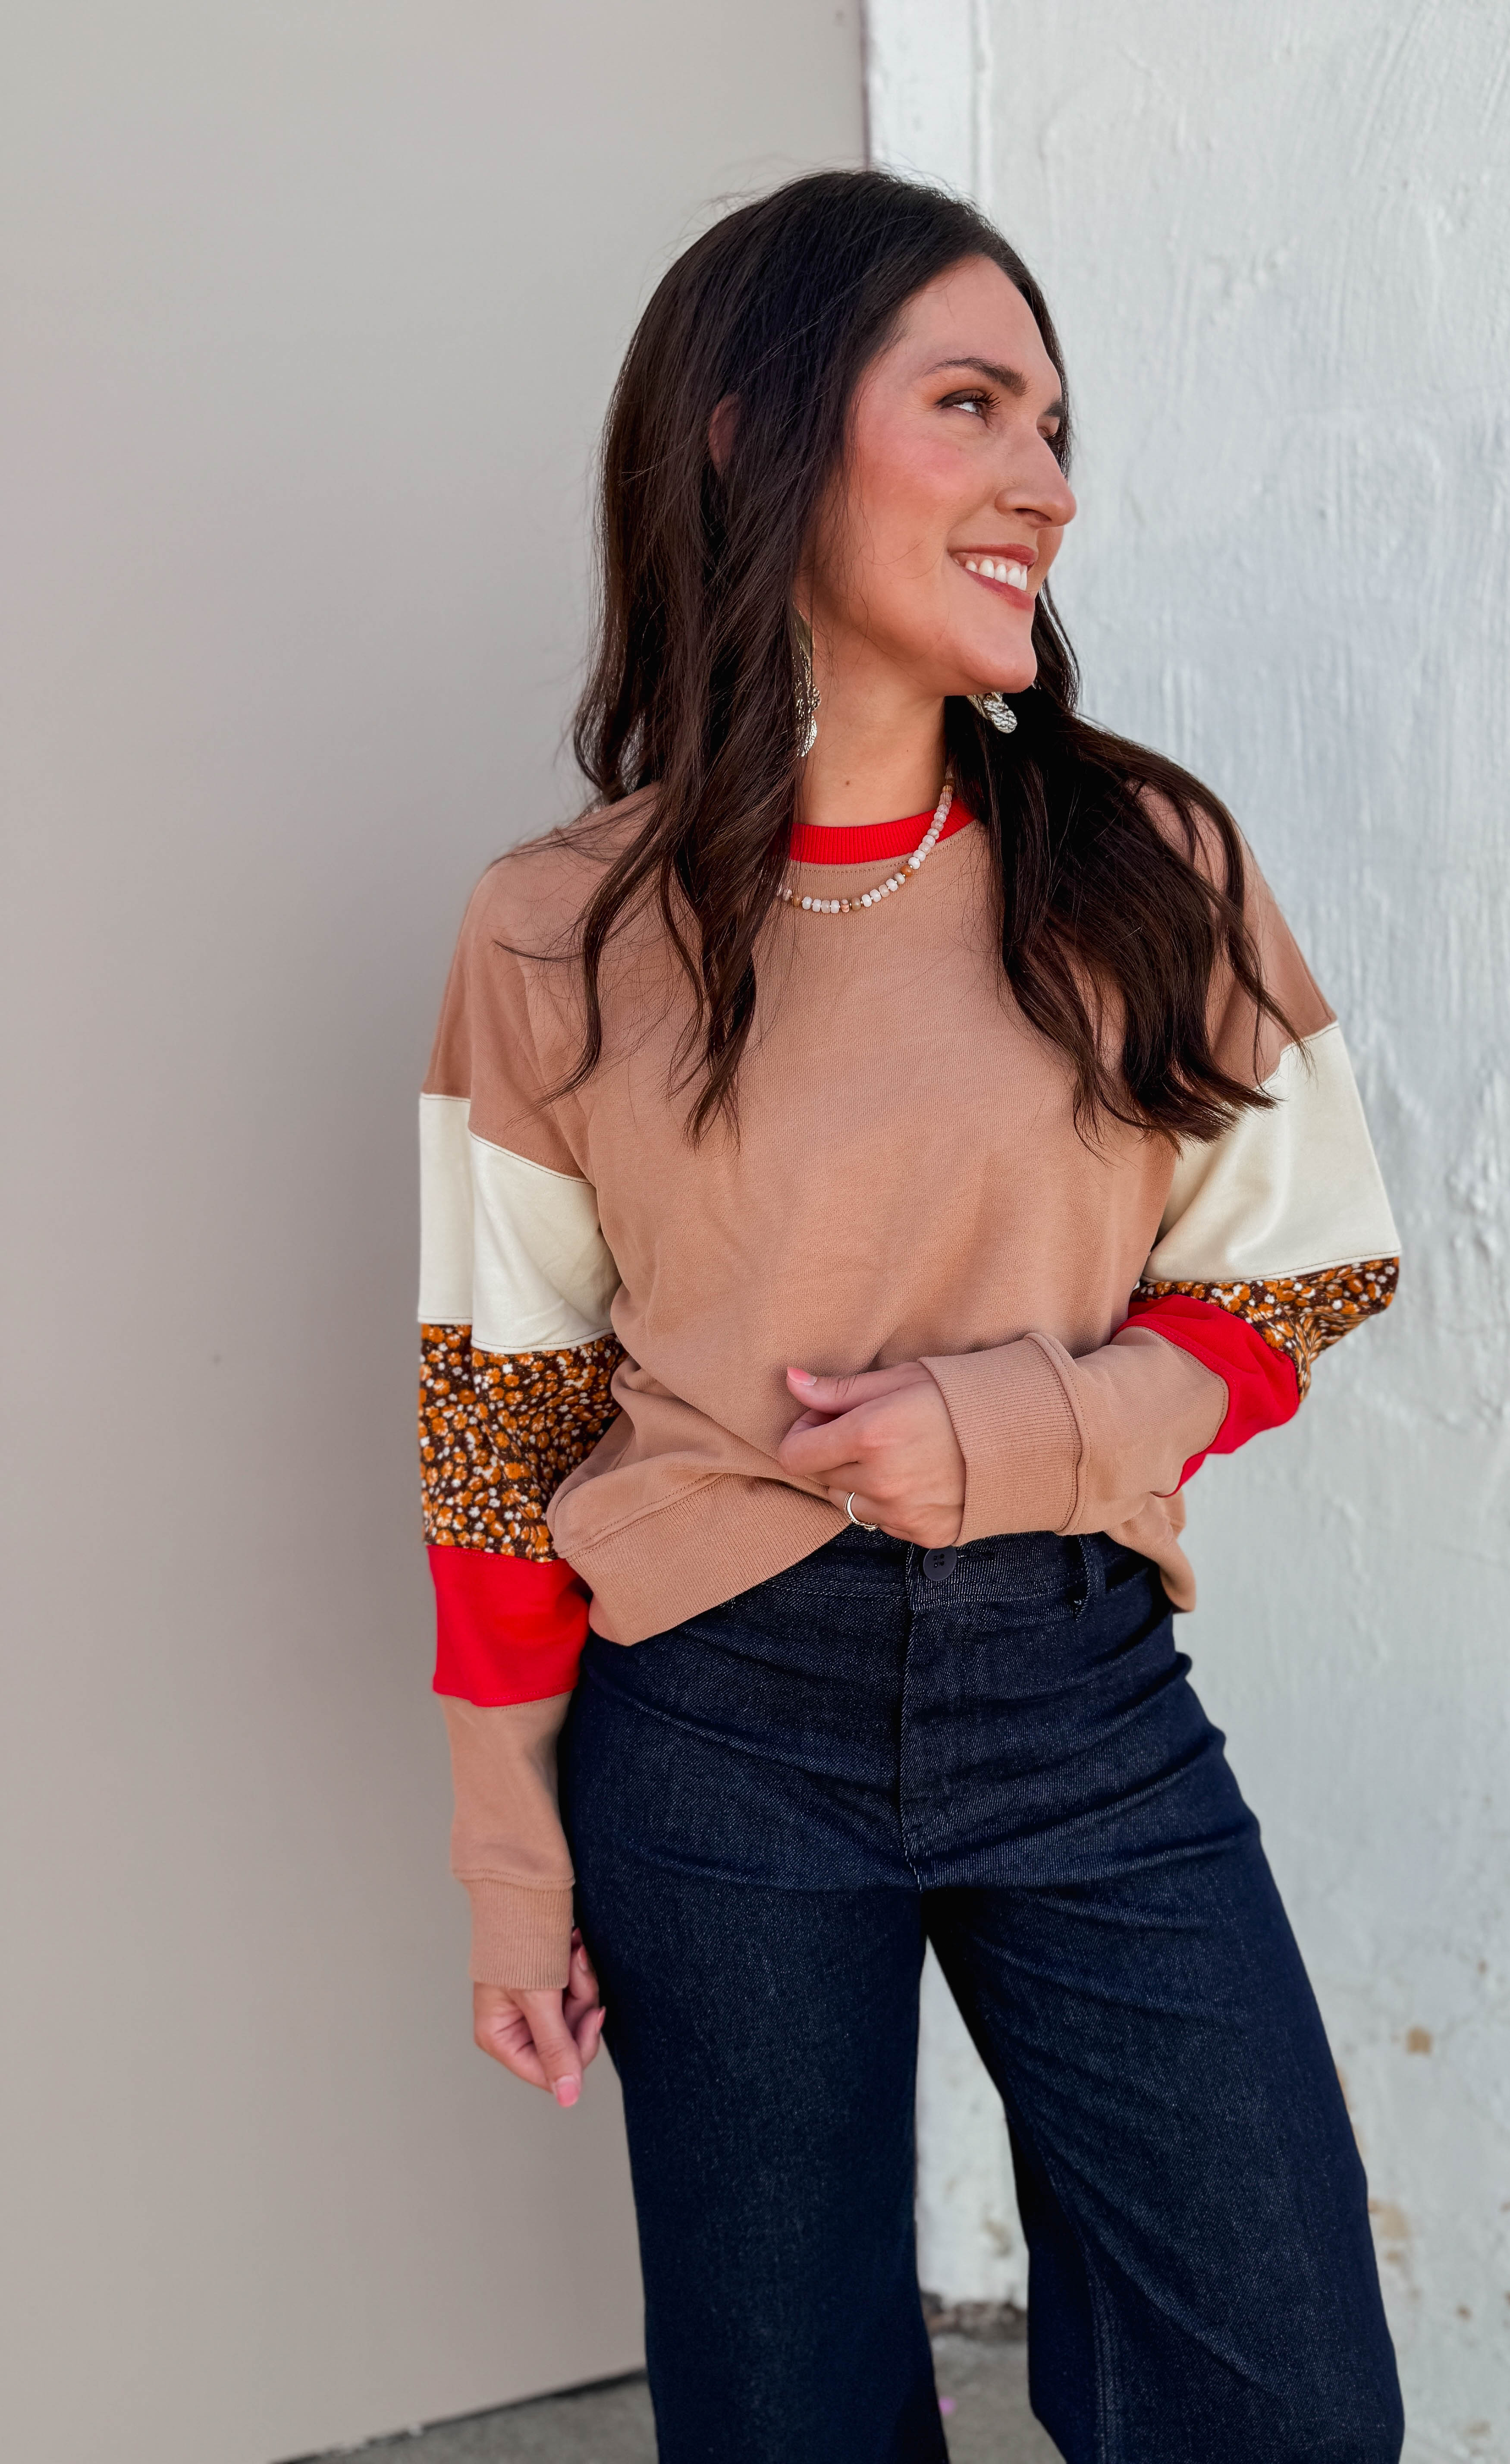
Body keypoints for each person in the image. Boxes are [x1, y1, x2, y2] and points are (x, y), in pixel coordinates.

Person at [417, 169, 1404, 2464]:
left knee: (1280, 2401)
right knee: (786, 2421)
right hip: (712, 1727)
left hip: (1081, 1695)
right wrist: (511, 1865)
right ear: (751, 433)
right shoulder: (556, 932)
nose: (1043, 481)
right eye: (971, 406)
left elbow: (1312, 1259)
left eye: (1055, 425)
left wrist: (1026, 1432)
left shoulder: (1148, 866)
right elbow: (494, 1417)